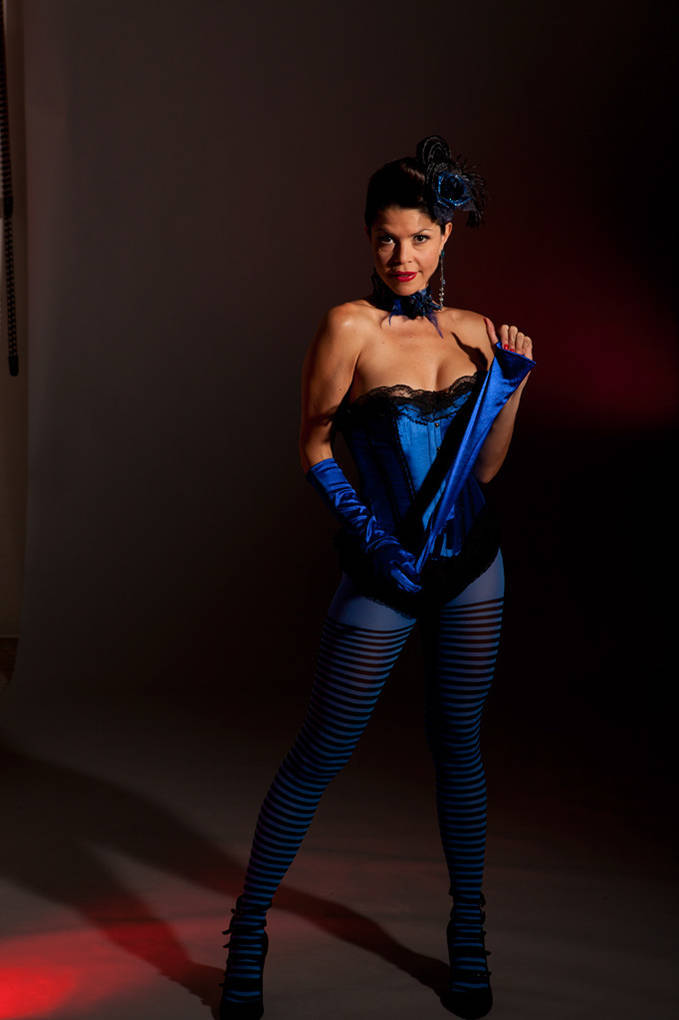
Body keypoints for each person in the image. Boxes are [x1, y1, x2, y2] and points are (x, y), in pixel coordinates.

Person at [219, 135, 534, 1020]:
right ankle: (247, 931)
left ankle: (466, 931)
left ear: (446, 237)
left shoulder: (475, 333)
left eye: (420, 238)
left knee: (457, 744)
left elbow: (482, 473)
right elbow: (313, 445)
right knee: (322, 749)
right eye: (387, 238)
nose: (403, 256)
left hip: (472, 565)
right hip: (382, 566)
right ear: (367, 236)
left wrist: (511, 389)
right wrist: (371, 538)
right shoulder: (347, 328)